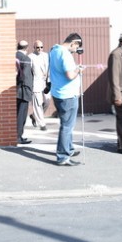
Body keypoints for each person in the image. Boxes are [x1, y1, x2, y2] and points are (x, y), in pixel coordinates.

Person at [49, 33, 84, 166]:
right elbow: (70, 75)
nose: (76, 50)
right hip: (67, 95)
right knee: (67, 126)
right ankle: (63, 156)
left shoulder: (54, 50)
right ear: (73, 43)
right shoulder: (65, 54)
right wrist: (78, 70)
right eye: (77, 46)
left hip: (58, 93)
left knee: (66, 124)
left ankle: (68, 149)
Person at [28, 39, 50, 131]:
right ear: (34, 48)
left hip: (46, 83)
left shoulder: (46, 55)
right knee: (38, 104)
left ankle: (34, 116)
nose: (40, 49)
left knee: (47, 102)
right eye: (37, 47)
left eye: (41, 47)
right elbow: (29, 72)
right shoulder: (30, 57)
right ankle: (42, 124)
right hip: (36, 83)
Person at [15, 40, 33, 145]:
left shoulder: (14, 56)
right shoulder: (26, 59)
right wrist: (28, 90)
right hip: (23, 90)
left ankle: (17, 135)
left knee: (17, 113)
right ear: (26, 48)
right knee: (21, 115)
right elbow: (26, 76)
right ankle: (18, 136)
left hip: (16, 89)